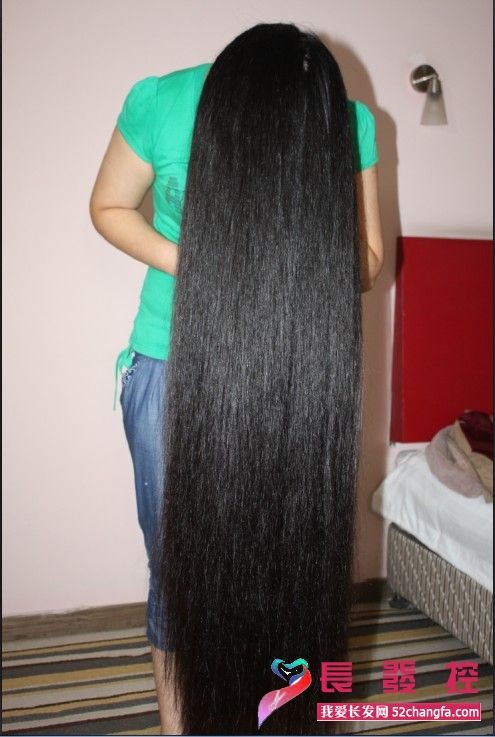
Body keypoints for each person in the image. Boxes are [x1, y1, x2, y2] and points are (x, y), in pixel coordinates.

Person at [90, 23, 383, 736]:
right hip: (172, 365)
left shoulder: (345, 120)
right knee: (179, 572)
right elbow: (107, 207)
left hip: (291, 367)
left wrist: (293, 261)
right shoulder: (162, 102)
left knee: (289, 568)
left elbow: (370, 257)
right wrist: (205, 263)